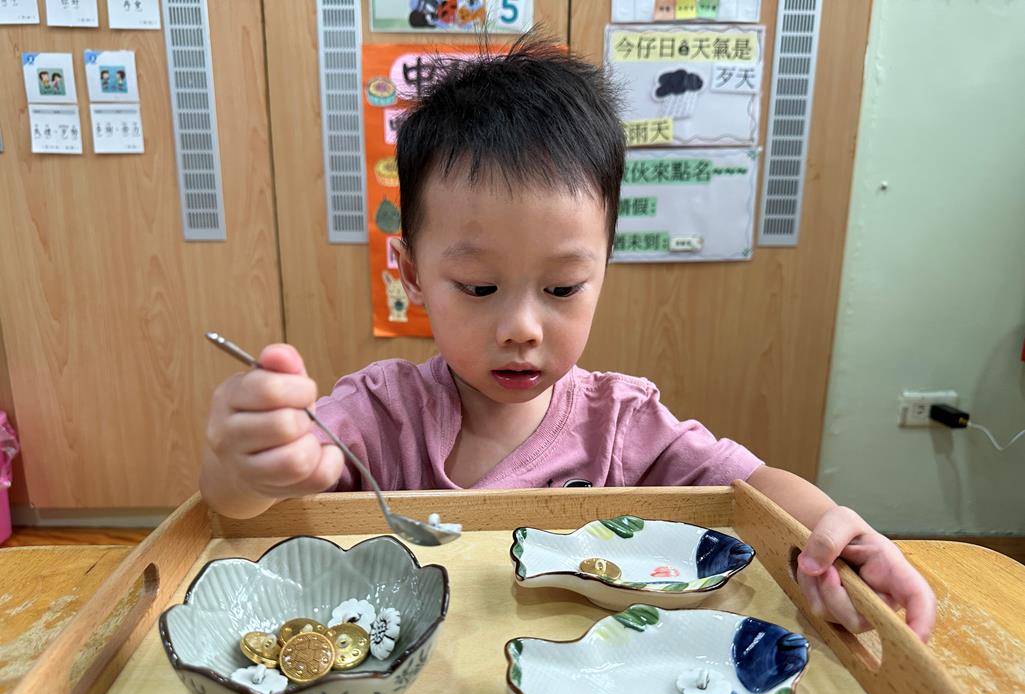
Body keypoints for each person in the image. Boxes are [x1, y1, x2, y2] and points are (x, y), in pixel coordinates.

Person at [200, 36, 936, 642]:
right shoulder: (378, 413)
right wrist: (248, 463)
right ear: (413, 273)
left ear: (603, 268)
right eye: (479, 287)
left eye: (562, 289)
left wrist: (832, 528)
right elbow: (239, 510)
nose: (522, 328)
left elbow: (751, 488)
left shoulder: (621, 422)